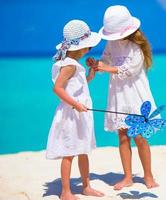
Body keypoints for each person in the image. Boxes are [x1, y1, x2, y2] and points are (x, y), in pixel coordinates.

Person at [86, 5, 159, 190]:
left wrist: (106, 68)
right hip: (119, 95)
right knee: (123, 136)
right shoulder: (112, 44)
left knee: (139, 136)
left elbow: (129, 70)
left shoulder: (137, 47)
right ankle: (128, 176)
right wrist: (97, 64)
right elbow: (107, 59)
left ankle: (148, 175)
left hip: (135, 96)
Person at [46, 19, 104, 200]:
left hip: (80, 113)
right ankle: (65, 192)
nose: (89, 51)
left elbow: (77, 88)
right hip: (71, 115)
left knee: (83, 149)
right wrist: (75, 104)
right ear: (80, 48)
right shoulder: (69, 65)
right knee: (69, 152)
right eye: (88, 47)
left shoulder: (73, 65)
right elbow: (58, 89)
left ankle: (86, 186)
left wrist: (90, 76)